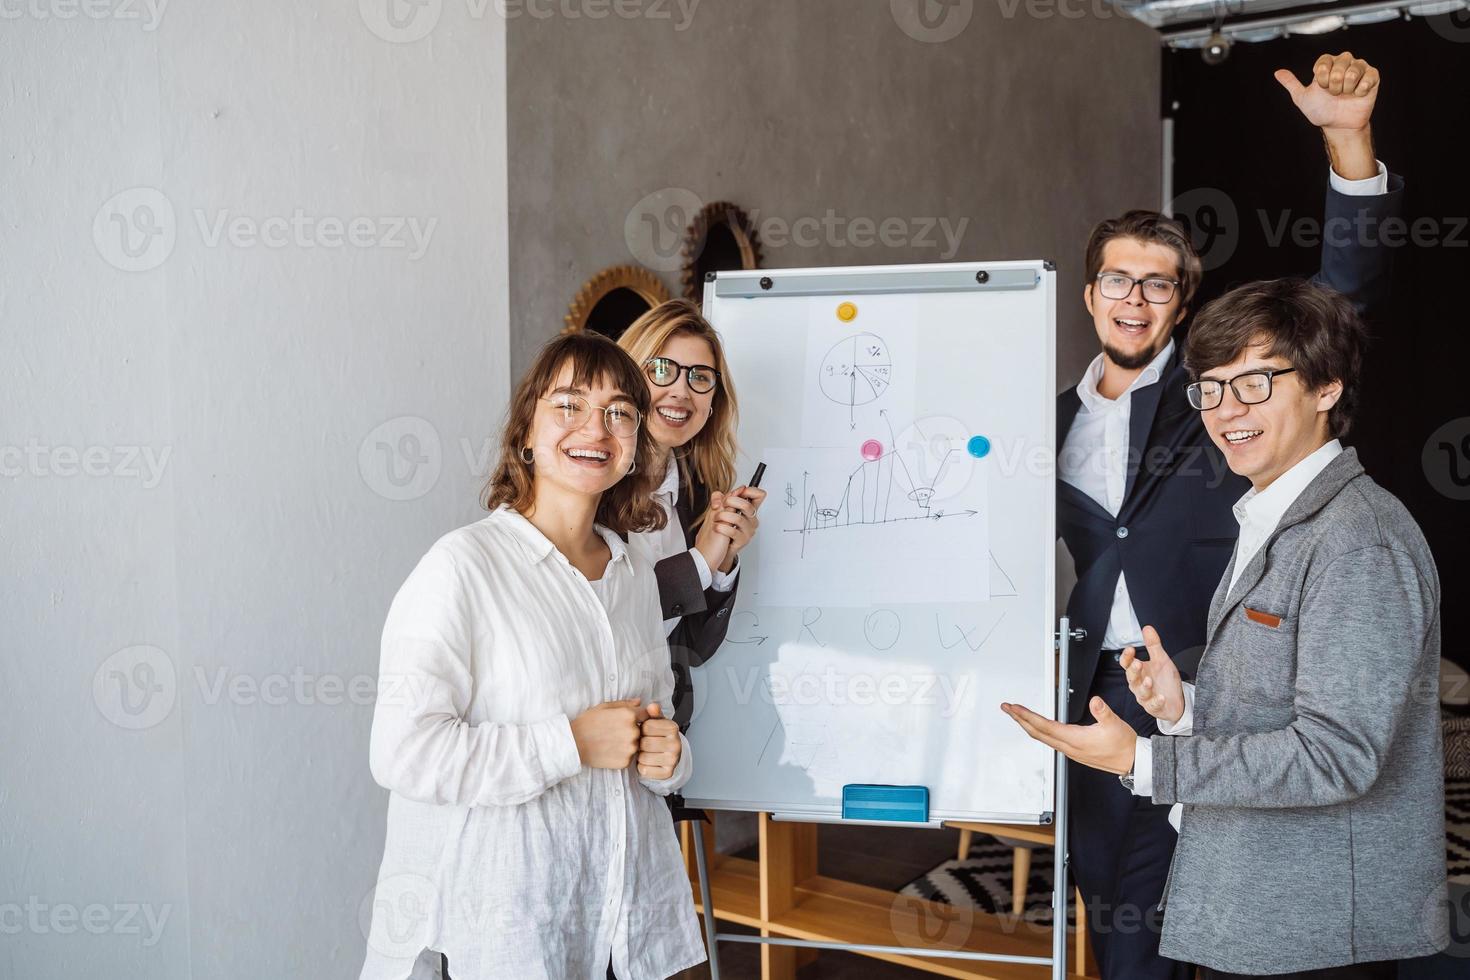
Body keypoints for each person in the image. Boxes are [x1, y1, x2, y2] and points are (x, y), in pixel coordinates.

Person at [1054, 52, 1402, 980]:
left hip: (1213, 685)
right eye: (1117, 280)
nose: (1134, 298)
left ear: (1182, 302)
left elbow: (1340, 302)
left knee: (1200, 907)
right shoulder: (1044, 419)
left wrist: (1348, 143)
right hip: (1099, 682)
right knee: (1108, 897)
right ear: (1090, 295)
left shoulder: (1221, 399)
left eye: (1158, 283)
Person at [1006, 278, 1448, 978]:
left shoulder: (1359, 541)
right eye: (1210, 388)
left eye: (1255, 383)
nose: (1225, 411)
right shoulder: (1267, 514)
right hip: (1249, 907)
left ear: (1327, 387)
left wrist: (1142, 760)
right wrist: (1186, 707)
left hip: (1316, 929)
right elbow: (1286, 707)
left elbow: (1339, 755)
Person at [359, 332, 706, 980]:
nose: (595, 429)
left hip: (619, 928)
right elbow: (403, 752)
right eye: (568, 405)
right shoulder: (461, 568)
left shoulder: (632, 573)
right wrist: (570, 743)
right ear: (526, 432)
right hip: (497, 940)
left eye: (619, 413)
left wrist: (670, 756)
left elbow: (652, 727)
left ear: (633, 448)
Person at [618, 299, 767, 732]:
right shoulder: (589, 485)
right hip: (592, 730)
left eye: (699, 377)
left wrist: (721, 564)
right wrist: (699, 563)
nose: (681, 391)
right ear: (628, 376)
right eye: (661, 369)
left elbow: (696, 649)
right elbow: (608, 615)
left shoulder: (698, 488)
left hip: (666, 737)